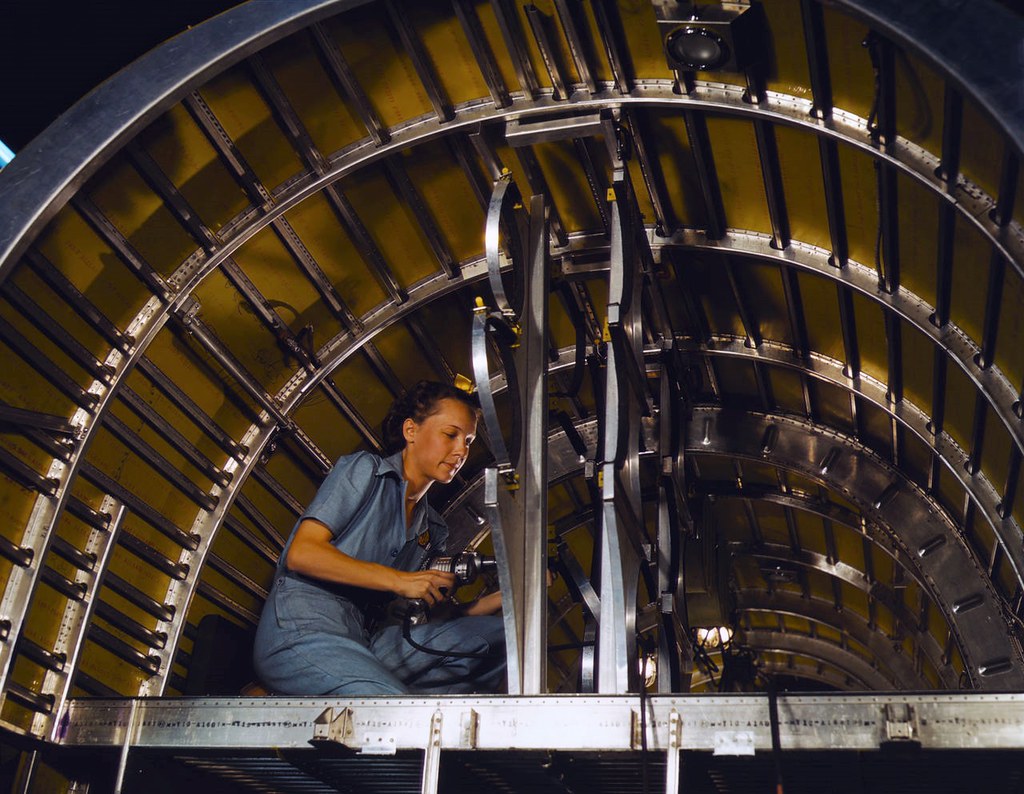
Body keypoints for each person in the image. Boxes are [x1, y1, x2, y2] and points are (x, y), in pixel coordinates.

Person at [252, 380, 505, 695]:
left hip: (368, 641)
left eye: (468, 441)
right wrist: (400, 580)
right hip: (306, 627)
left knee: (499, 638)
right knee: (390, 707)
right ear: (411, 431)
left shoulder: (434, 528)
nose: (461, 451)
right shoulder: (366, 471)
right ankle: (296, 682)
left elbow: (435, 621)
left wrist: (508, 596)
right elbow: (302, 554)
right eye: (450, 435)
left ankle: (374, 688)